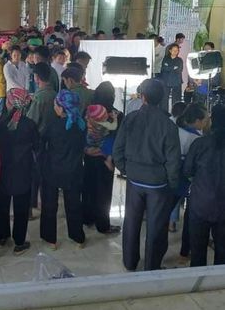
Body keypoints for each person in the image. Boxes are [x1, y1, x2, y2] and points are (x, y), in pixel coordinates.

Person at [113, 79, 181, 271]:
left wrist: (126, 169)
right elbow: (173, 160)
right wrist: (172, 183)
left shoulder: (130, 118)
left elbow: (118, 149)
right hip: (158, 184)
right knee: (156, 226)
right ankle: (151, 267)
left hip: (134, 179)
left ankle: (130, 262)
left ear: (142, 97)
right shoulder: (168, 125)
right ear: (161, 99)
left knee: (131, 222)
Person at [0, 88, 39, 254]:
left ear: (10, 103)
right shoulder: (30, 125)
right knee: (21, 207)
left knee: (1, 204)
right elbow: (37, 147)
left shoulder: (0, 124)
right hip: (23, 171)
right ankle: (19, 242)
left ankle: (1, 237)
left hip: (3, 170)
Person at [40, 90, 86, 249]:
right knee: (74, 204)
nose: (54, 106)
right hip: (74, 169)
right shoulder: (81, 125)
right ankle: (78, 237)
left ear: (61, 108)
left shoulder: (53, 125)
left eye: (55, 104)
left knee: (49, 204)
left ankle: (50, 239)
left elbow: (41, 143)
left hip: (53, 169)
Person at [184, 104, 225, 267]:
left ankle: (198, 279)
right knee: (223, 252)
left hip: (200, 203)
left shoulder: (199, 144)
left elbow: (187, 170)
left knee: (198, 251)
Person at [169, 103, 207, 263]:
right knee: (190, 217)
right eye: (205, 119)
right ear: (197, 121)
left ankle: (156, 253)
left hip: (171, 179)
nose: (206, 122)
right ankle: (184, 252)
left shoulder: (175, 129)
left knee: (163, 214)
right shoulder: (196, 139)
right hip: (188, 182)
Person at [83, 81, 122, 234]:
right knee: (104, 192)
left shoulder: (87, 111)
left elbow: (81, 131)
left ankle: (87, 218)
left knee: (89, 186)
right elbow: (118, 138)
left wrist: (86, 148)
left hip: (89, 154)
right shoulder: (116, 115)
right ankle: (103, 224)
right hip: (106, 158)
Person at [160, 43, 183, 112]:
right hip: (166, 80)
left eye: (177, 50)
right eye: (174, 50)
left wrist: (169, 67)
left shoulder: (179, 60)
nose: (176, 52)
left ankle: (176, 113)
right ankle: (164, 114)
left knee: (176, 99)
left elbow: (179, 70)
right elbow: (164, 68)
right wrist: (173, 68)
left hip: (176, 81)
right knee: (164, 99)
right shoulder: (165, 59)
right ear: (170, 51)